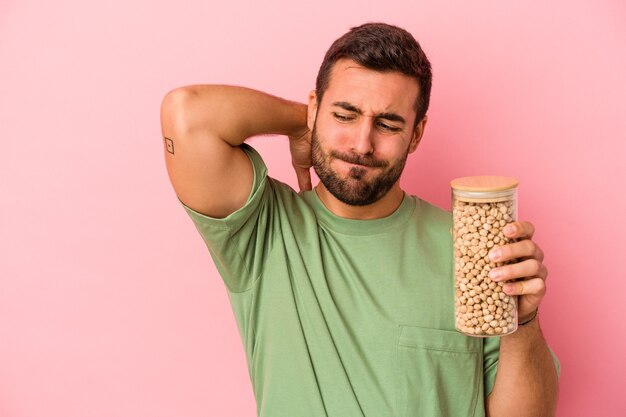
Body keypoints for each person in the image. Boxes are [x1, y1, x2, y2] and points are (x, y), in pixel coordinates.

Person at [160, 22, 559, 417]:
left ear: (416, 134)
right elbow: (187, 111)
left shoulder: (470, 251)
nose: (361, 144)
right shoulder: (263, 230)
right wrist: (301, 122)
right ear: (315, 108)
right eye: (344, 115)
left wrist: (522, 323)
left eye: (387, 124)